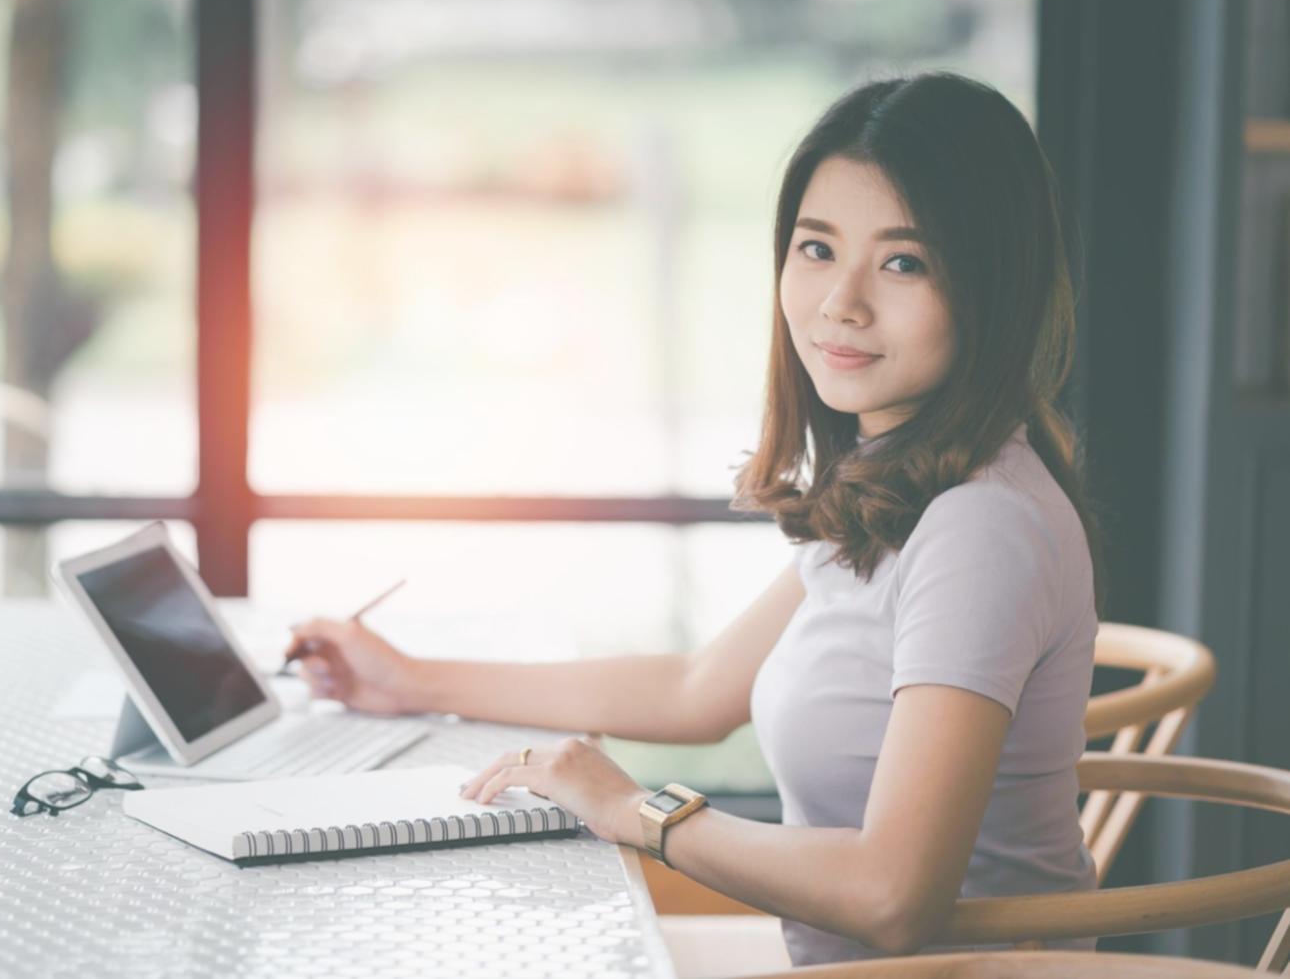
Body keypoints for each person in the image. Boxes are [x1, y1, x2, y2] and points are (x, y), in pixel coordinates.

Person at [283, 71, 1106, 966]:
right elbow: (696, 688)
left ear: (994, 286)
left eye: (904, 262)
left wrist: (635, 811)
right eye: (817, 248)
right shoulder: (902, 483)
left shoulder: (980, 526)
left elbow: (891, 895)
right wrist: (408, 680)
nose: (841, 302)